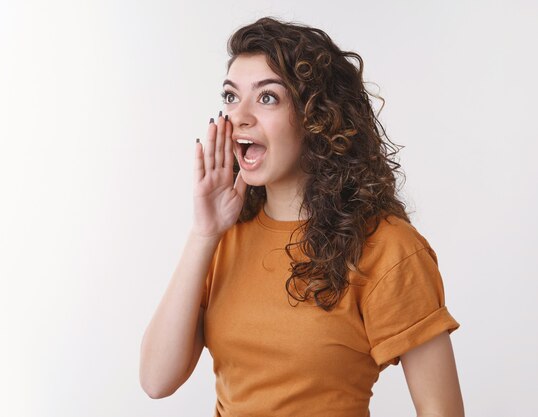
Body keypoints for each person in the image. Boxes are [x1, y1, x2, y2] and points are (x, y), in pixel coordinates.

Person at [140, 16, 464, 417]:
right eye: (230, 96)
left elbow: (441, 410)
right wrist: (204, 233)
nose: (239, 116)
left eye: (267, 97)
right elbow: (156, 380)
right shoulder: (225, 236)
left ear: (317, 117)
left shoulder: (387, 248)